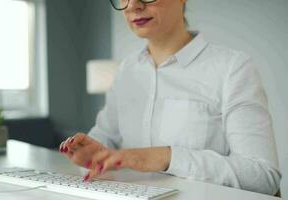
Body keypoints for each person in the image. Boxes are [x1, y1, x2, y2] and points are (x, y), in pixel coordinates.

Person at [59, 0, 281, 195]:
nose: (133, 5)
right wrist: (92, 155)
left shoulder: (233, 68)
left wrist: (165, 157)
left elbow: (262, 177)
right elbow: (104, 138)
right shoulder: (127, 70)